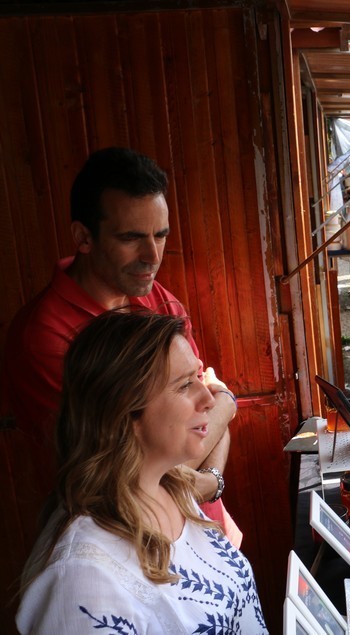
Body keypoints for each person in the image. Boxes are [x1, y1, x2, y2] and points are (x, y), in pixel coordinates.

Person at [2, 147, 238, 549]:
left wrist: (209, 480)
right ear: (83, 237)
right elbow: (122, 475)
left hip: (206, 528)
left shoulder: (155, 298)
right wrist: (225, 410)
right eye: (131, 238)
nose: (152, 256)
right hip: (130, 547)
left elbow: (201, 417)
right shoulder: (43, 337)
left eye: (160, 235)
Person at [16, 311, 266, 633]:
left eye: (198, 377)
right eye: (184, 385)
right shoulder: (82, 582)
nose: (207, 399)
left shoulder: (170, 488)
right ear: (126, 411)